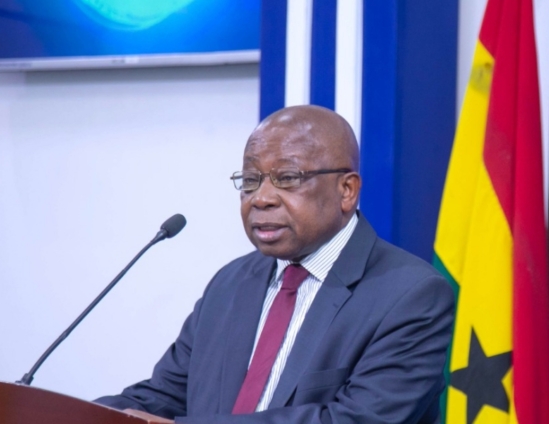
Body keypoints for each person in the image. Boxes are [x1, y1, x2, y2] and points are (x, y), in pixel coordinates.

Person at [95, 105, 454, 423]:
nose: (261, 198)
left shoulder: (410, 295)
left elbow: (356, 419)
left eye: (288, 178)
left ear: (346, 190)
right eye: (250, 181)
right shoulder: (231, 283)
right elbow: (164, 396)